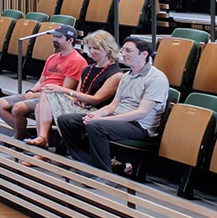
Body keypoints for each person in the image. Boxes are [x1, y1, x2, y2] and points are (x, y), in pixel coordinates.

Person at [55, 35, 172, 174]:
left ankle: (103, 174)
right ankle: (88, 163)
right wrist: (95, 114)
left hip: (140, 126)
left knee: (96, 125)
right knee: (66, 120)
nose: (124, 54)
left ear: (144, 54)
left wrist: (102, 119)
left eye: (129, 51)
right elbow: (113, 106)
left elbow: (141, 113)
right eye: (123, 50)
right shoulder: (127, 75)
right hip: (119, 119)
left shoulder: (156, 78)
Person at [27, 29, 122, 149]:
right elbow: (78, 93)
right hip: (81, 106)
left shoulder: (115, 74)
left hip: (96, 111)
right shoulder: (88, 69)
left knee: (47, 93)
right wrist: (76, 98)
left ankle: (43, 140)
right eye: (90, 48)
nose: (92, 52)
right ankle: (42, 142)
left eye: (96, 48)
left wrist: (65, 91)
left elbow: (96, 100)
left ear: (108, 50)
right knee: (42, 100)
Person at [0, 24, 86, 141]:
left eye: (58, 37)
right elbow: (41, 80)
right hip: (38, 93)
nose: (54, 39)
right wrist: (32, 91)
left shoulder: (77, 60)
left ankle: (19, 137)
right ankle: (23, 135)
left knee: (17, 108)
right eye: (54, 36)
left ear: (70, 40)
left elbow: (63, 90)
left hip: (52, 98)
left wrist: (34, 95)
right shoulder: (53, 57)